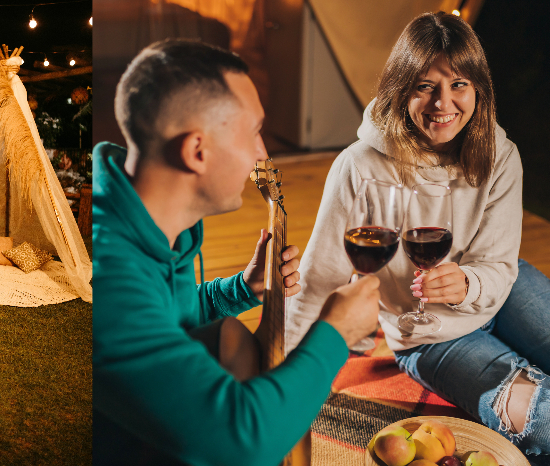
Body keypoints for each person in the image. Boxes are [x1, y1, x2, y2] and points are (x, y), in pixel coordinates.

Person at [92, 39, 382, 466]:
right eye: (254, 133)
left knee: (228, 333)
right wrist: (336, 331)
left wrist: (242, 288)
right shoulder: (108, 278)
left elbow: (169, 317)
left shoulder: (147, 218)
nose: (263, 153)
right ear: (197, 151)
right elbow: (241, 440)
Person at [285, 11, 550, 460]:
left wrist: (468, 282)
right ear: (400, 88)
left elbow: (499, 262)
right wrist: (281, 380)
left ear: (479, 91)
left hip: (504, 290)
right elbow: (319, 280)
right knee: (547, 424)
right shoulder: (359, 167)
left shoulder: (501, 155)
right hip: (428, 336)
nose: (442, 103)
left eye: (459, 85)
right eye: (425, 86)